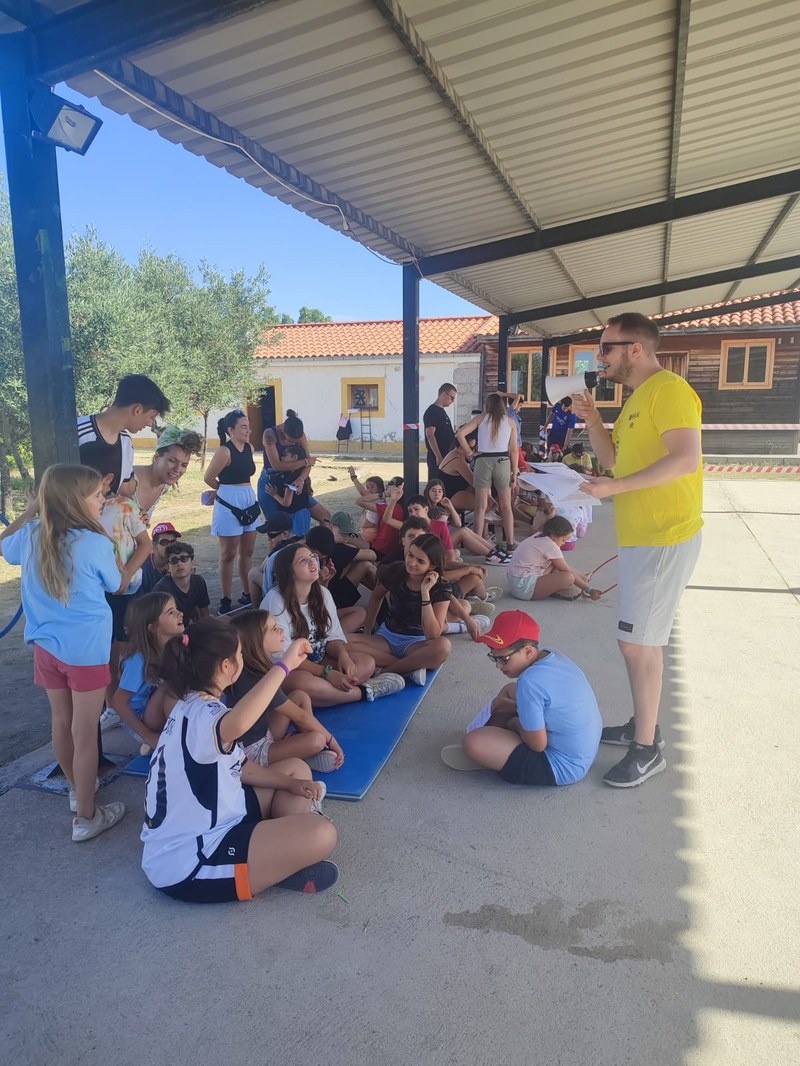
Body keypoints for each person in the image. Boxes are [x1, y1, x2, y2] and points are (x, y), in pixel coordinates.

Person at [572, 311, 703, 788]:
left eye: (606, 347)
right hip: (642, 536)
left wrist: (617, 487)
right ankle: (641, 724)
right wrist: (593, 421)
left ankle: (648, 748)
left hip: (663, 536)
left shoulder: (668, 390)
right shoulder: (635, 400)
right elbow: (612, 461)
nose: (599, 357)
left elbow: (686, 459)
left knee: (637, 644)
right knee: (638, 643)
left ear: (635, 349)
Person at [141, 620, 339, 902]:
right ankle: (278, 861)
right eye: (240, 655)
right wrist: (284, 666)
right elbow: (239, 723)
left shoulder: (189, 706)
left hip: (215, 821)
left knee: (296, 771)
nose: (243, 660)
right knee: (323, 834)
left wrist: (289, 784)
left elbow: (240, 767)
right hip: (192, 864)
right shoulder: (205, 716)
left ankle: (279, 856)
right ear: (225, 666)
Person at [0, 465, 126, 842]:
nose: (103, 499)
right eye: (96, 495)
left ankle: (77, 790)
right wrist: (108, 535)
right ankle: (87, 816)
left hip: (45, 648)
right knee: (85, 731)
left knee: (62, 722)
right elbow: (119, 583)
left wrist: (30, 509)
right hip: (86, 651)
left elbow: (4, 545)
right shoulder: (95, 542)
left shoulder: (33, 533)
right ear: (74, 500)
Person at [440, 611, 602, 787]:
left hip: (560, 767)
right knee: (510, 690)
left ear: (528, 651)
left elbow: (538, 745)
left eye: (503, 659)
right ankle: (496, 744)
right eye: (493, 656)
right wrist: (516, 709)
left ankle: (490, 752)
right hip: (584, 752)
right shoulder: (552, 656)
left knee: (473, 742)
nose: (498, 665)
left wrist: (515, 723)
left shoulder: (530, 682)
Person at [262, 543, 405, 706]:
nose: (312, 562)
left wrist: (343, 656)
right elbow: (284, 657)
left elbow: (332, 637)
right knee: (306, 686)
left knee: (367, 663)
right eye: (303, 560)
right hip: (290, 669)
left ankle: (332, 692)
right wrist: (327, 674)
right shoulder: (275, 602)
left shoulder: (322, 594)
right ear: (289, 572)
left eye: (312, 557)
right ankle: (364, 692)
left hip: (319, 660)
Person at [228, 610, 344, 772]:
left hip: (265, 733)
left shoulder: (254, 668)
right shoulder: (255, 678)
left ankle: (299, 749)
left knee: (300, 696)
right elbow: (300, 716)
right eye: (274, 629)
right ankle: (303, 751)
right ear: (256, 640)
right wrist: (332, 740)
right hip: (252, 753)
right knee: (317, 740)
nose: (281, 630)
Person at [349, 533, 453, 687]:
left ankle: (385, 672)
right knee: (340, 642)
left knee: (443, 647)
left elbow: (433, 634)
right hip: (386, 638)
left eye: (420, 561)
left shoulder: (441, 587)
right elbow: (376, 597)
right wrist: (367, 632)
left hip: (416, 644)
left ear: (432, 566)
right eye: (410, 555)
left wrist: (425, 592)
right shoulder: (395, 571)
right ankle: (408, 667)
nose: (411, 563)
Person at [111, 592, 185, 751]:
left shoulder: (174, 647)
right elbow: (118, 702)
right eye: (171, 612)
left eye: (176, 609)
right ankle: (167, 738)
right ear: (153, 627)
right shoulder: (138, 660)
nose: (180, 614)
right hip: (142, 721)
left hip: (157, 711)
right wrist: (147, 735)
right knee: (172, 684)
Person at [204, 410, 260, 614]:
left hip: (248, 497)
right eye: (244, 427)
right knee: (228, 553)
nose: (248, 430)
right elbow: (209, 477)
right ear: (231, 430)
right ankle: (226, 597)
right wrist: (224, 491)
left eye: (248, 426)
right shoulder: (224, 452)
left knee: (248, 551)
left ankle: (247, 592)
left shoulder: (250, 448)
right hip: (229, 500)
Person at [77, 374, 170, 496]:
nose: (149, 424)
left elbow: (125, 490)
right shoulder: (75, 433)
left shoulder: (126, 442)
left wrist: (134, 510)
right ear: (137, 410)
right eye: (151, 417)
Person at [456, 392, 518, 555]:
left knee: (481, 506)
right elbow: (513, 449)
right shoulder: (510, 422)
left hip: (483, 461)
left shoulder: (480, 419)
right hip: (503, 462)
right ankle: (510, 543)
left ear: (487, 405)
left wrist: (469, 453)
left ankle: (476, 544)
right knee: (506, 506)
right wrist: (515, 471)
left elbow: (460, 434)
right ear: (502, 406)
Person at [260, 410, 330, 529]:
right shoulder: (270, 434)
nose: (294, 443)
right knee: (275, 527)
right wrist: (305, 462)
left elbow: (309, 464)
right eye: (291, 441)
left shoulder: (300, 435)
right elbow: (276, 465)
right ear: (284, 431)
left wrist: (301, 479)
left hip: (294, 480)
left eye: (296, 442)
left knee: (325, 517)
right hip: (272, 481)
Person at [507, 517, 602, 602]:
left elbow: (562, 566)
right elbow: (566, 571)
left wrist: (582, 577)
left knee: (556, 566)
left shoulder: (539, 536)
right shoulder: (550, 545)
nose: (564, 543)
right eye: (563, 540)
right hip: (524, 588)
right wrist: (589, 589)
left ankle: (554, 586)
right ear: (553, 536)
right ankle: (551, 590)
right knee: (568, 578)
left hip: (516, 583)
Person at [130, 426, 202, 527]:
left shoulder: (164, 487)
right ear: (156, 457)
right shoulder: (128, 479)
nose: (177, 469)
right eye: (172, 461)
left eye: (184, 465)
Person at [423, 479, 503, 563]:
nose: (437, 494)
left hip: (441, 541)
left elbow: (458, 524)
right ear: (427, 492)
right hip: (433, 543)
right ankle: (492, 555)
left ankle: (494, 550)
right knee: (462, 532)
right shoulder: (425, 508)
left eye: (440, 491)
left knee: (465, 530)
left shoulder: (441, 508)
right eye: (433, 491)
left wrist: (450, 506)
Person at [306, 523, 376, 613]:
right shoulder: (338, 550)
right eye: (343, 534)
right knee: (365, 564)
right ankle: (386, 592)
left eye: (349, 535)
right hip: (327, 600)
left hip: (327, 592)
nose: (346, 538)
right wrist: (350, 544)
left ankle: (384, 593)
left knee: (357, 561)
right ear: (332, 527)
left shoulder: (306, 546)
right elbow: (372, 555)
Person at [247, 512, 299, 605]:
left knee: (253, 573)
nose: (268, 539)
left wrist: (273, 550)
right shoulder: (301, 541)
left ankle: (259, 613)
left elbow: (262, 568)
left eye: (271, 535)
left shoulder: (280, 551)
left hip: (285, 595)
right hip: (301, 589)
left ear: (285, 534)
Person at [154, 541, 211, 626]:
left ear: (192, 563)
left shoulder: (198, 581)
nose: (179, 564)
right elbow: (162, 625)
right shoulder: (162, 590)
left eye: (184, 559)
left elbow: (205, 614)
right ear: (168, 567)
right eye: (174, 560)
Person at [266, 443, 313, 527]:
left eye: (285, 455)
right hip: (304, 513)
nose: (281, 457)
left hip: (294, 515)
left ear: (295, 458)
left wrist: (274, 494)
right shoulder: (302, 475)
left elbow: (286, 503)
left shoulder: (291, 479)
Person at [356, 479, 405, 559]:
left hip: (380, 549)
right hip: (392, 550)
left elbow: (359, 501)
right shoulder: (402, 508)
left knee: (347, 539)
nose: (387, 485)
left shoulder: (389, 508)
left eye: (391, 483)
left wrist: (385, 494)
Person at [423, 383, 458, 480]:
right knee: (436, 484)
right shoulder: (432, 411)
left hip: (446, 454)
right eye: (451, 397)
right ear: (443, 394)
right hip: (438, 456)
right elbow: (430, 435)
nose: (452, 401)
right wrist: (438, 456)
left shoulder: (442, 411)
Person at [139, 521, 182, 595]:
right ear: (154, 545)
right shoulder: (143, 570)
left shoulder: (178, 563)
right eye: (164, 542)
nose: (169, 546)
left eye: (173, 542)